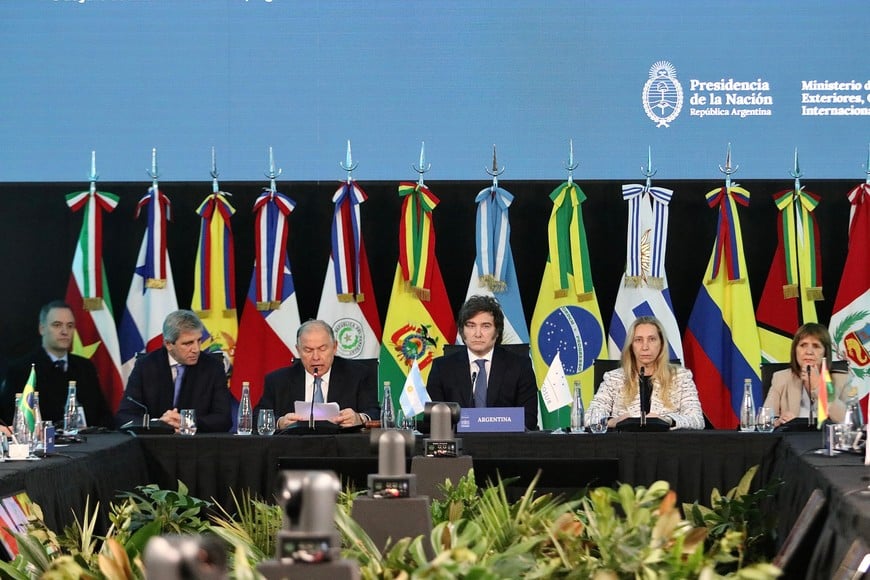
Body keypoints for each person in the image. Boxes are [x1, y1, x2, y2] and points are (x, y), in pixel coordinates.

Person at [426, 295, 538, 430]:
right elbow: (434, 420)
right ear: (462, 331)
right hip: (459, 447)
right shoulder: (442, 368)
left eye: (485, 326)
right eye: (471, 326)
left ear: (497, 332)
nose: (477, 334)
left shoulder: (520, 367)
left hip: (506, 446)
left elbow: (529, 419)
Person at [1, 300, 113, 429]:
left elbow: (104, 415)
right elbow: (10, 420)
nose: (65, 331)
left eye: (70, 326)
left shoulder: (86, 367)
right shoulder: (21, 370)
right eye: (57, 325)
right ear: (42, 328)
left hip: (91, 445)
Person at [116, 310, 232, 433]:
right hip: (153, 445)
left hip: (198, 446)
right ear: (168, 344)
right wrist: (158, 424)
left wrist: (186, 423)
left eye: (198, 340)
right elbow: (124, 416)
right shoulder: (146, 366)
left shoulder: (213, 367)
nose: (196, 349)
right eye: (188, 343)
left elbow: (224, 419)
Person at [256, 320, 379, 429]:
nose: (315, 357)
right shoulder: (277, 380)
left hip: (343, 450)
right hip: (293, 450)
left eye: (322, 349)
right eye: (308, 350)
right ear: (298, 350)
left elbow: (376, 412)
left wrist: (360, 418)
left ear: (334, 347)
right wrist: (279, 422)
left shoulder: (358, 375)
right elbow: (256, 417)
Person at [588, 316, 704, 430]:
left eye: (652, 339)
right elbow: (590, 418)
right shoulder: (613, 378)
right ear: (631, 345)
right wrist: (614, 421)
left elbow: (697, 420)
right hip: (625, 445)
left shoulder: (681, 377)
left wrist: (667, 420)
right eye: (638, 340)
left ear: (662, 344)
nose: (645, 347)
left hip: (667, 445)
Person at [763, 323, 851, 428]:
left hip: (827, 442)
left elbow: (847, 420)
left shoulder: (841, 379)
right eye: (803, 345)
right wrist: (780, 422)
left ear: (825, 353)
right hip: (791, 442)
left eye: (816, 346)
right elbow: (764, 420)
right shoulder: (781, 378)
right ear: (795, 350)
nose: (809, 352)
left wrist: (818, 386)